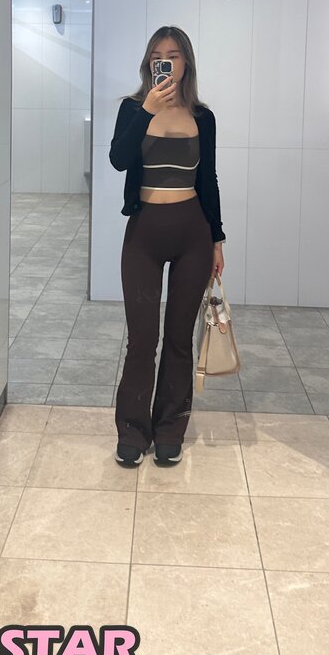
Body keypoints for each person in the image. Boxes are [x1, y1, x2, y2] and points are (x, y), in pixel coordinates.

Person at [109, 26, 226, 468]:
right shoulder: (132, 108)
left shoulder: (203, 117)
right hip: (144, 233)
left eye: (173, 55)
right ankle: (132, 432)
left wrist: (217, 240)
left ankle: (169, 430)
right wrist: (147, 111)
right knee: (142, 339)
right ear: (149, 63)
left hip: (192, 233)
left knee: (179, 339)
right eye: (158, 55)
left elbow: (209, 180)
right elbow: (118, 159)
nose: (165, 62)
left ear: (185, 63)